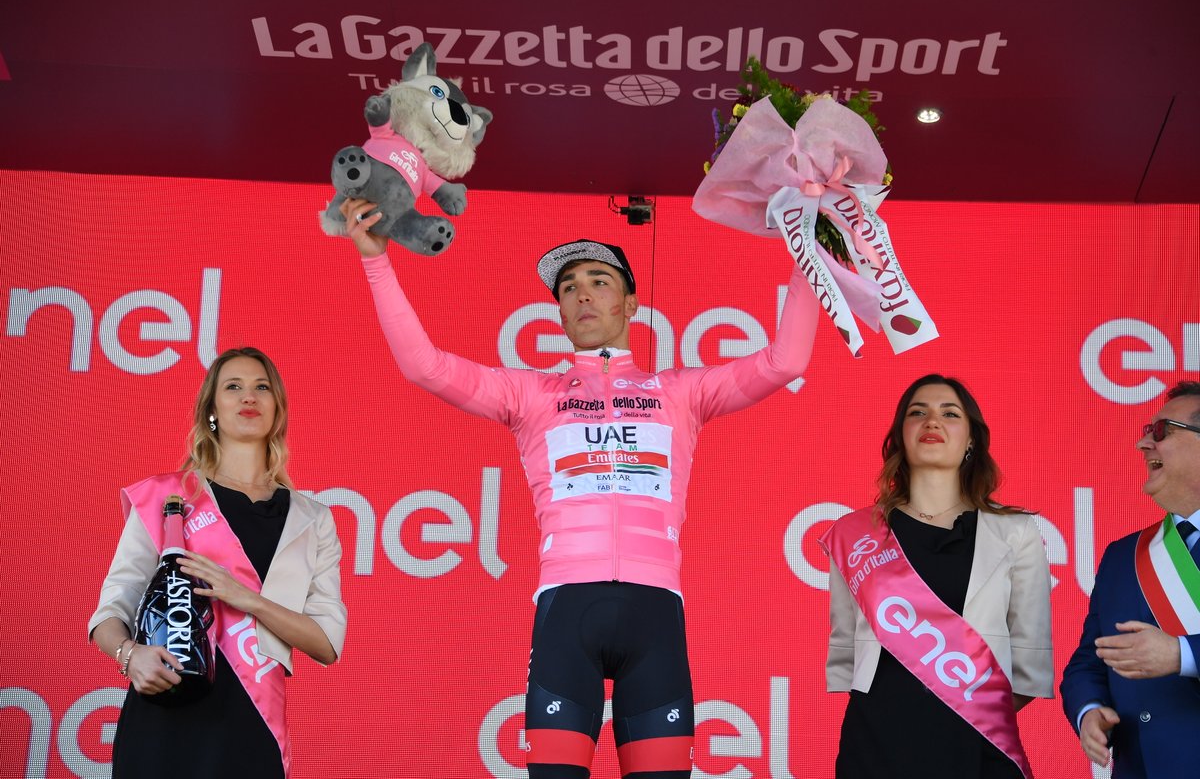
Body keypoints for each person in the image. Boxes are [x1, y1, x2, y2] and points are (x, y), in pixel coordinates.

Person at [341, 198, 818, 778]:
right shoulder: (533, 396)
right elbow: (426, 367)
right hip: (567, 611)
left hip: (655, 612)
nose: (583, 295)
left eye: (599, 281)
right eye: (569, 288)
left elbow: (786, 361)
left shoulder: (680, 392)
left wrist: (807, 245)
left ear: (631, 304)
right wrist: (376, 261)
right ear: (560, 313)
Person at [88, 347, 347, 778]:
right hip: (165, 710)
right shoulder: (166, 497)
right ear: (212, 409)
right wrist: (131, 656)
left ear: (277, 409)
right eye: (233, 387)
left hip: (250, 724)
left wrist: (248, 599)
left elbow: (326, 643)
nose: (249, 397)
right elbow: (111, 610)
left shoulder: (311, 519)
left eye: (262, 387)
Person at [821, 374, 1053, 779]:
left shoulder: (1016, 532)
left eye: (950, 414)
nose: (932, 421)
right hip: (876, 743)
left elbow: (1029, 661)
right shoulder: (854, 534)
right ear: (900, 435)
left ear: (971, 440)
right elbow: (848, 653)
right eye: (917, 413)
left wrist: (966, 712)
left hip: (978, 743)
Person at [1060, 380, 1200, 779]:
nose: (1143, 444)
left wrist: (1181, 654)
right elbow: (1089, 661)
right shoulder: (1124, 555)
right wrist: (1090, 711)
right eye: (1146, 432)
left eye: (1161, 431)